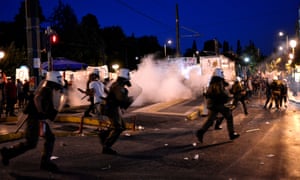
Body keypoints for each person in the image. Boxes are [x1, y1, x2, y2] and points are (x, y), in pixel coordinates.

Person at [0, 71, 66, 172]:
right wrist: (40, 112)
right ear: (54, 81)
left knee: (49, 138)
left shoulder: (48, 89)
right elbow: (37, 99)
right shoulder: (46, 89)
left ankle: (45, 162)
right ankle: (8, 153)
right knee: (31, 142)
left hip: (39, 119)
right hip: (35, 119)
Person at [195, 68, 240, 143]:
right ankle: (231, 134)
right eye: (222, 73)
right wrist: (229, 97)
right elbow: (221, 94)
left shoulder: (212, 83)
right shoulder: (219, 83)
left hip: (212, 104)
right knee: (229, 116)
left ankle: (200, 132)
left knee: (210, 120)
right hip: (219, 104)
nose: (223, 74)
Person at [99, 68, 133, 155]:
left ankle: (104, 134)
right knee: (118, 128)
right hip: (111, 109)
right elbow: (120, 98)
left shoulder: (117, 84)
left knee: (122, 126)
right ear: (124, 78)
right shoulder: (119, 87)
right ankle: (106, 146)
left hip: (112, 108)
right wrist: (128, 99)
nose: (128, 81)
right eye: (127, 79)